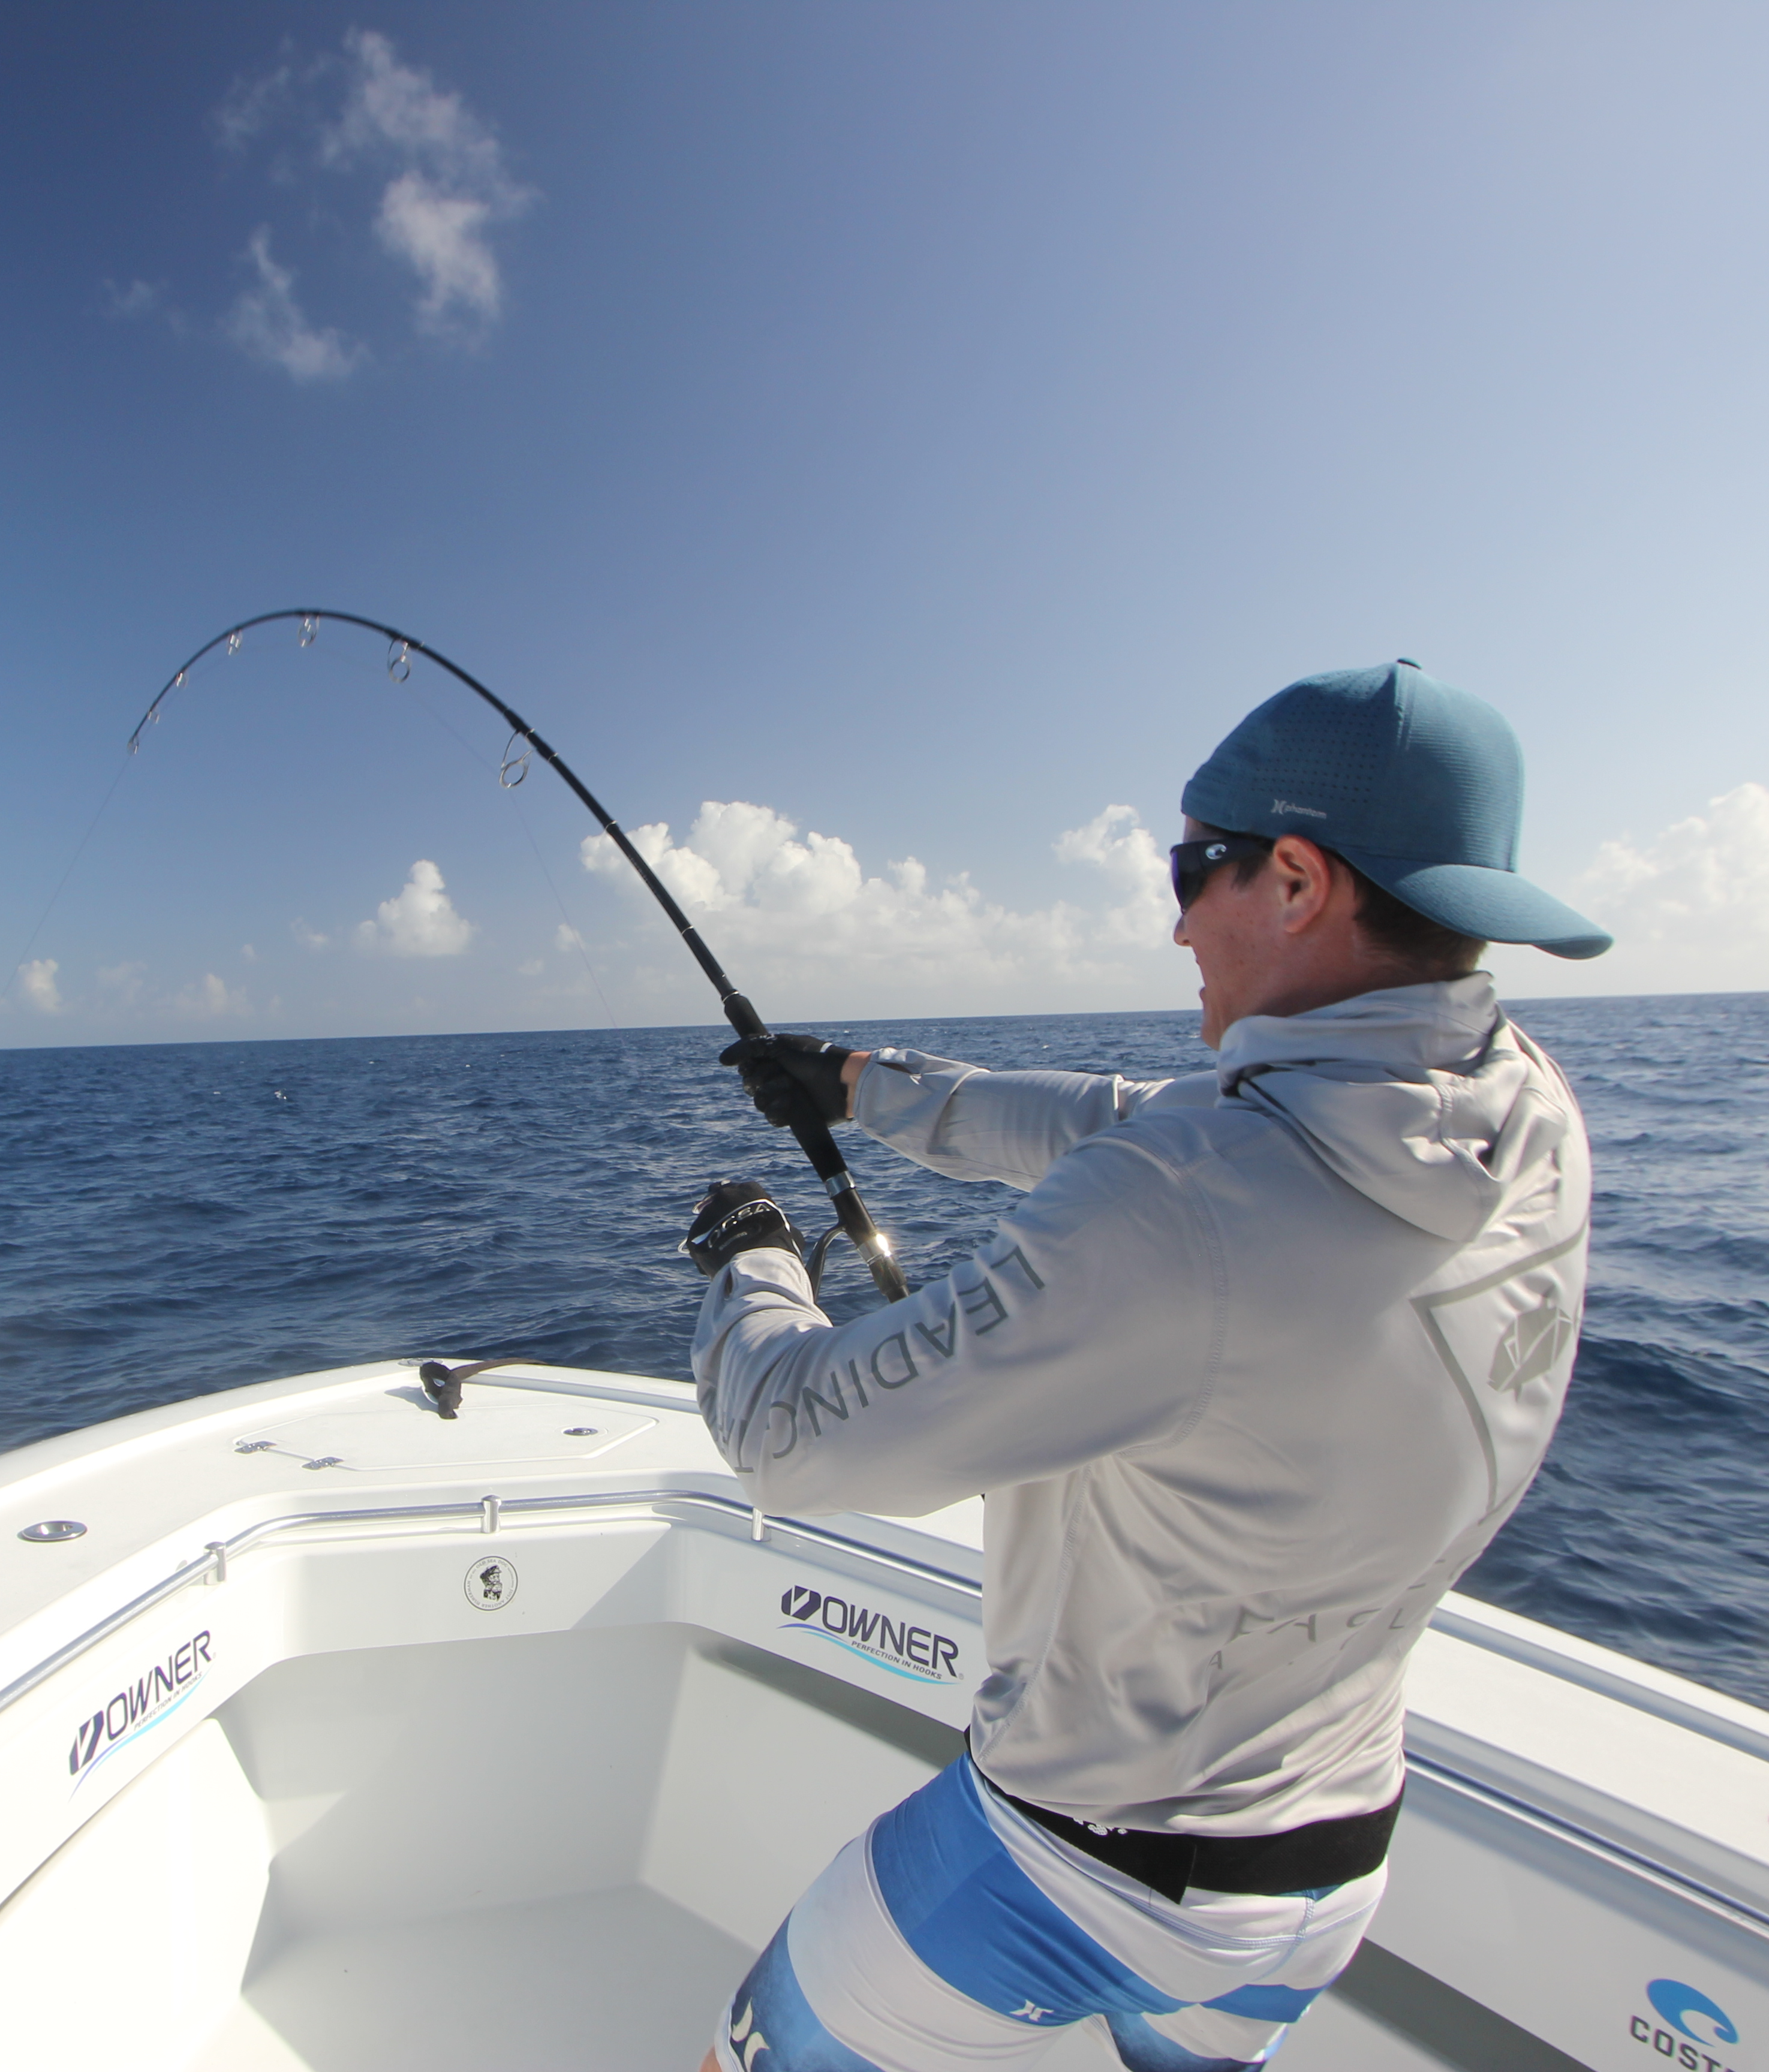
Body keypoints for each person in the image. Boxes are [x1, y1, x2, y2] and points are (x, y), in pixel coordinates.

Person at [682, 661, 1611, 2072]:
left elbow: (791, 1444)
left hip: (1069, 1873)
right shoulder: (1521, 1110)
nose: (1177, 923)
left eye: (1193, 871)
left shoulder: (1183, 1207)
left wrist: (753, 1261)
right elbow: (1153, 1122)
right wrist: (865, 1087)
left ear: (1295, 880)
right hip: (1327, 1873)